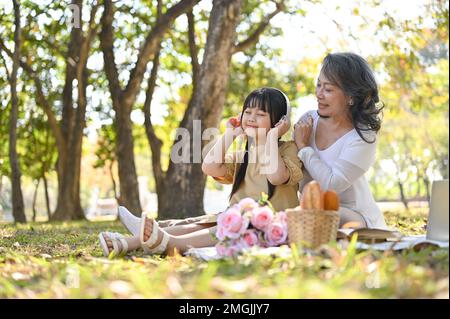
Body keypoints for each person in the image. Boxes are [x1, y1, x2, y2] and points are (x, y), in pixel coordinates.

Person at [98, 87, 303, 257]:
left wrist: (272, 136)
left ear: (279, 121)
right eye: (248, 112)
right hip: (234, 219)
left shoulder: (287, 149)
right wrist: (230, 134)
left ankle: (170, 244)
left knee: (215, 227)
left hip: (266, 225)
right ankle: (125, 243)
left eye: (261, 114)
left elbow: (277, 176)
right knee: (196, 226)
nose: (251, 118)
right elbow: (210, 167)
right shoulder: (244, 155)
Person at [293, 52, 387, 229]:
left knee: (317, 211)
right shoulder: (308, 122)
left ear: (351, 97)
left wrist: (304, 149)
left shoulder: (362, 137)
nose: (319, 94)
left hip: (353, 216)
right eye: (318, 85)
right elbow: (291, 170)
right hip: (309, 212)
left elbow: (331, 185)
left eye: (328, 89)